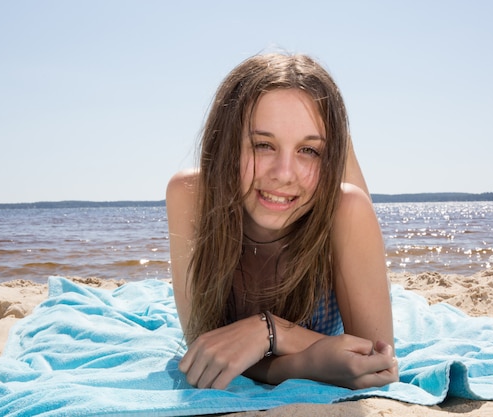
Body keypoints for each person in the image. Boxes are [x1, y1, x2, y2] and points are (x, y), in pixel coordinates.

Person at [166, 52, 398, 390]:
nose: (283, 174)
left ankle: (332, 145)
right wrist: (304, 360)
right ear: (226, 144)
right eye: (263, 144)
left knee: (347, 200)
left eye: (309, 150)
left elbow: (378, 365)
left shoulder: (345, 209)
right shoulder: (189, 194)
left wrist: (267, 331)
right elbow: (204, 349)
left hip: (336, 213)